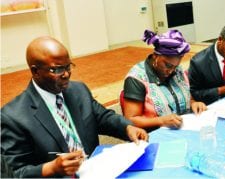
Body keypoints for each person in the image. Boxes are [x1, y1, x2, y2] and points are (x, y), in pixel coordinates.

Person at [0, 36, 148, 178]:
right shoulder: (13, 117)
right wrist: (50, 168)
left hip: (98, 171)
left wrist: (127, 128)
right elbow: (12, 173)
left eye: (68, 66)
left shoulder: (78, 90)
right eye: (56, 69)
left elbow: (102, 117)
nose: (66, 74)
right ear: (35, 71)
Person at [121, 29, 207, 132]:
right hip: (153, 135)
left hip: (183, 129)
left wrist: (193, 103)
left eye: (175, 66)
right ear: (156, 56)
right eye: (167, 65)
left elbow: (189, 97)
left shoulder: (177, 71)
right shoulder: (136, 79)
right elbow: (130, 120)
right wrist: (161, 121)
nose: (171, 71)